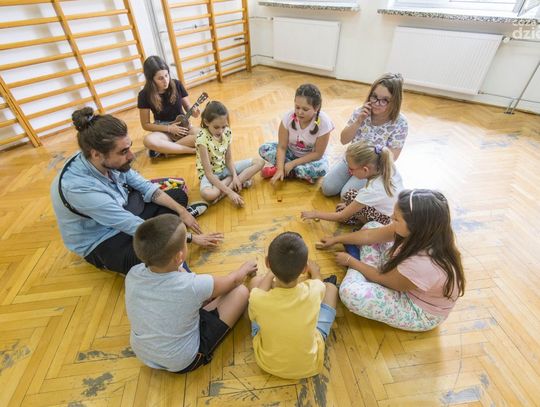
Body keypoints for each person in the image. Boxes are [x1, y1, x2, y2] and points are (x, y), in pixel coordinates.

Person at [51, 107, 221, 275]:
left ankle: (174, 226)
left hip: (124, 213)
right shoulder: (79, 189)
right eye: (124, 151)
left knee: (178, 196)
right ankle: (172, 235)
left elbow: (146, 187)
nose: (132, 156)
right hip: (103, 240)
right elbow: (132, 224)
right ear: (96, 155)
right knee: (157, 255)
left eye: (129, 147)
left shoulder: (102, 157)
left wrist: (182, 211)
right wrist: (191, 238)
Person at [317, 189, 465, 332]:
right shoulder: (425, 234)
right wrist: (337, 239)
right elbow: (370, 235)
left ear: (415, 227)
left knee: (351, 294)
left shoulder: (423, 264)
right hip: (401, 277)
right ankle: (362, 271)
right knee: (372, 226)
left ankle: (359, 267)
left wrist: (351, 261)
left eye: (396, 218)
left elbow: (383, 278)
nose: (391, 217)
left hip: (417, 308)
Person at [125, 214, 257, 372]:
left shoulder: (133, 273)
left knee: (202, 291)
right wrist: (245, 268)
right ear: (179, 256)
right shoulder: (191, 285)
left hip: (144, 353)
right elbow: (234, 281)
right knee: (240, 292)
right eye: (186, 241)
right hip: (182, 360)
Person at [248, 232, 338, 379]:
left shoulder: (257, 298)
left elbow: (258, 292)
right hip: (309, 365)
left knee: (255, 282)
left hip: (267, 363)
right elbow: (319, 282)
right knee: (331, 289)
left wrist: (271, 272)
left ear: (267, 263)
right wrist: (315, 271)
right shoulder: (314, 289)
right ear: (304, 269)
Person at [322, 73, 408, 198]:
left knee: (346, 195)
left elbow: (392, 157)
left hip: (371, 169)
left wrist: (367, 167)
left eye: (384, 100)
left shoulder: (400, 123)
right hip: (350, 161)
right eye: (374, 97)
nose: (377, 103)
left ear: (395, 102)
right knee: (327, 188)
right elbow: (343, 140)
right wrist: (358, 121)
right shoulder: (360, 112)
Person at [302, 142, 403, 226]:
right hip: (393, 211)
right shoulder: (386, 166)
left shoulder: (373, 190)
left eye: (351, 169)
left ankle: (365, 223)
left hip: (386, 220)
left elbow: (341, 216)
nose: (349, 172)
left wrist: (316, 214)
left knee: (345, 211)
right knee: (350, 196)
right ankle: (357, 214)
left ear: (365, 170)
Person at [259, 84, 334, 184]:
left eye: (305, 109)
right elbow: (282, 147)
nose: (299, 112)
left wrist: (293, 164)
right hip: (290, 153)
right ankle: (287, 171)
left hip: (310, 159)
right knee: (264, 149)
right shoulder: (288, 118)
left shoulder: (324, 123)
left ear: (316, 108)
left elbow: (318, 154)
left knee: (322, 168)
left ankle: (284, 170)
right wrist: (280, 168)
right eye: (297, 107)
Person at [196, 101, 264, 207]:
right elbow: (209, 174)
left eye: (224, 126)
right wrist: (230, 193)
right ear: (206, 122)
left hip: (224, 168)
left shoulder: (227, 132)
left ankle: (229, 185)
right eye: (216, 127)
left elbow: (228, 159)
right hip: (210, 175)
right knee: (207, 194)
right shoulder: (202, 139)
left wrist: (235, 176)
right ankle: (233, 181)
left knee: (260, 162)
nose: (221, 131)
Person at [137, 55, 200, 158]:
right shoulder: (144, 95)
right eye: (160, 78)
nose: (165, 80)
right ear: (151, 79)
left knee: (204, 135)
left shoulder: (177, 84)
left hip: (183, 128)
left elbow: (188, 106)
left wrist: (194, 112)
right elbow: (146, 125)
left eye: (166, 75)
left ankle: (166, 150)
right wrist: (169, 128)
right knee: (148, 140)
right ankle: (190, 150)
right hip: (164, 131)